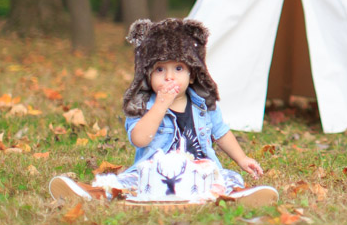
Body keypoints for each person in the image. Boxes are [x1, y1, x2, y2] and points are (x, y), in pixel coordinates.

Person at [49, 18, 278, 207]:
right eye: (160, 69)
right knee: (127, 180)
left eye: (178, 68)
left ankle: (238, 195)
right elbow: (139, 139)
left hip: (201, 173)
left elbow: (221, 133)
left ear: (193, 74)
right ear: (147, 74)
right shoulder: (143, 105)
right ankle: (92, 193)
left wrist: (242, 158)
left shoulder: (202, 104)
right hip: (154, 174)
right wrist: (159, 105)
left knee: (228, 177)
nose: (169, 77)